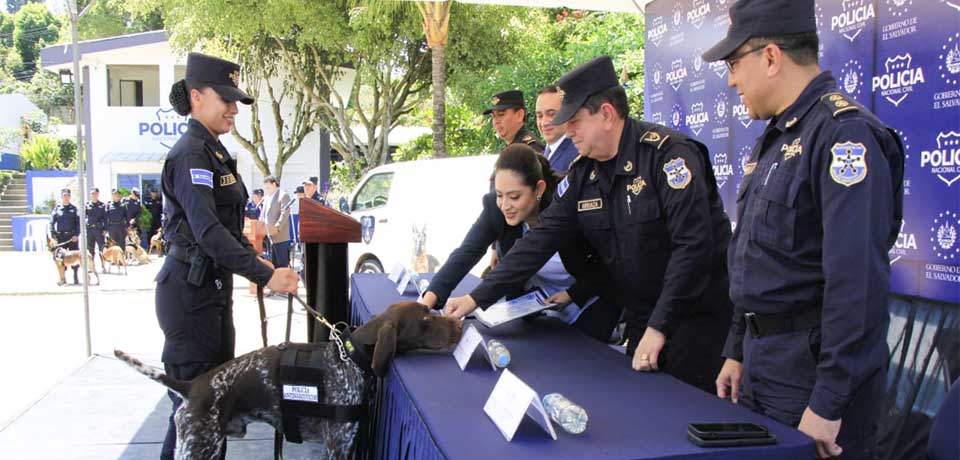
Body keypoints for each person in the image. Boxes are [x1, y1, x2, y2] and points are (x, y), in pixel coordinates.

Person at [445, 56, 733, 394]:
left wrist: (660, 326)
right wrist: (475, 298)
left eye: (575, 121)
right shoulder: (583, 174)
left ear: (607, 114)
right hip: (643, 320)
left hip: (692, 323)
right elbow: (539, 240)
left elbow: (693, 249)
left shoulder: (668, 157)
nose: (568, 131)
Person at [702, 1, 905, 458]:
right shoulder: (774, 139)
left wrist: (829, 400)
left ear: (771, 57)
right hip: (762, 362)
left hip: (810, 374)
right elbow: (754, 259)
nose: (731, 80)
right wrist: (737, 347)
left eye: (734, 64)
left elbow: (858, 284)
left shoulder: (843, 136)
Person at [157, 52, 299, 460]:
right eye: (226, 99)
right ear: (197, 97)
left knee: (211, 410)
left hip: (210, 291)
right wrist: (264, 275)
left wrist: (258, 261)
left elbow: (226, 229)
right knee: (193, 412)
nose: (234, 109)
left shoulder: (212, 152)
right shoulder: (191, 155)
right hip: (190, 296)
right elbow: (207, 232)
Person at [422, 144, 622, 342]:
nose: (505, 206)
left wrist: (573, 294)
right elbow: (466, 252)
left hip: (591, 298)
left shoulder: (567, 205)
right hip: (537, 307)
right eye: (499, 195)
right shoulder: (496, 208)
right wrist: (428, 302)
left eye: (514, 197)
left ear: (539, 189)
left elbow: (607, 264)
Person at [536, 85, 579, 173]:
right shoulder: (543, 154)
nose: (544, 123)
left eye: (551, 114)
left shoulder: (576, 154)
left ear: (567, 113)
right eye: (540, 116)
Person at [260, 176, 292, 269]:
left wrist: (276, 228)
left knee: (281, 266)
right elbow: (263, 214)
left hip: (280, 237)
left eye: (268, 187)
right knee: (273, 266)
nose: (266, 189)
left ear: (274, 184)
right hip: (269, 237)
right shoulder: (267, 197)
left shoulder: (283, 195)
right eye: (265, 187)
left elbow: (285, 213)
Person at [50, 188, 80, 283]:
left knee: (74, 257)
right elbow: (52, 222)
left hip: (72, 237)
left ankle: (75, 276)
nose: (66, 197)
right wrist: (53, 235)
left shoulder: (74, 209)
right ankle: (63, 278)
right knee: (61, 258)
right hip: (61, 237)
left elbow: (78, 224)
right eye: (64, 196)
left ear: (70, 197)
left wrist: (76, 235)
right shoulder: (57, 209)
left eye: (67, 195)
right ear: (61, 197)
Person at [86, 187, 107, 271]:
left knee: (102, 249)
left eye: (95, 193)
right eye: (92, 194)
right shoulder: (87, 205)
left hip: (99, 230)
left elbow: (105, 218)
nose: (93, 195)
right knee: (90, 250)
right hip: (90, 230)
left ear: (98, 194)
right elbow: (84, 217)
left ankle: (103, 266)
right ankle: (91, 267)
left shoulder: (102, 205)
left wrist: (105, 229)